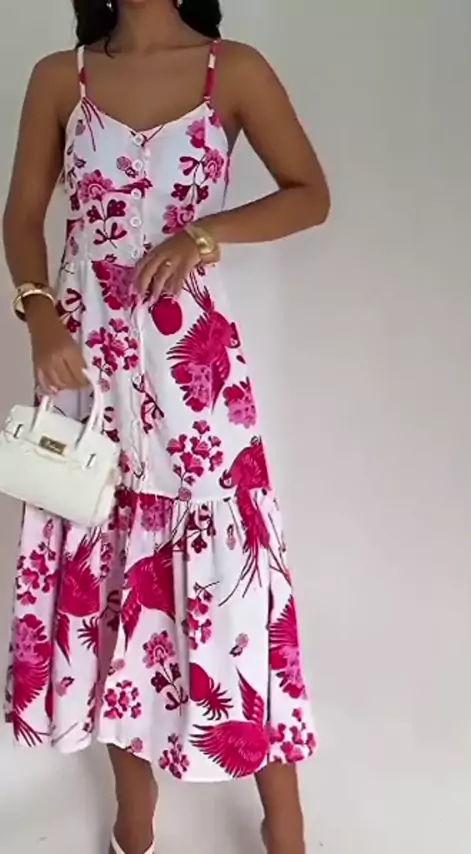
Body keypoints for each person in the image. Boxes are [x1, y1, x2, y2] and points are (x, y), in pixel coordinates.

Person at [2, 2, 330, 853]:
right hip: (86, 368)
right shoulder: (61, 78)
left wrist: (204, 234)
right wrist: (39, 316)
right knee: (108, 568)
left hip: (195, 372)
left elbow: (310, 194)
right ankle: (134, 824)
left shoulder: (233, 69)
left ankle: (286, 826)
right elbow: (23, 215)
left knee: (235, 578)